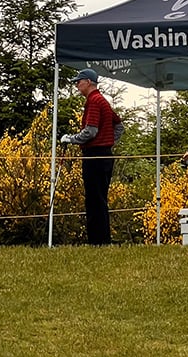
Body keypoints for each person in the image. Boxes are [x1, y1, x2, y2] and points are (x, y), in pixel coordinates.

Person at [60, 68, 124, 245]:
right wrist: (109, 141)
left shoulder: (94, 101)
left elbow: (90, 131)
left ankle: (97, 242)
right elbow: (119, 127)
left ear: (88, 82)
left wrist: (71, 139)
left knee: (94, 200)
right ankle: (101, 241)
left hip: (95, 155)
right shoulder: (102, 100)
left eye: (79, 82)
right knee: (100, 199)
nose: (77, 85)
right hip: (104, 155)